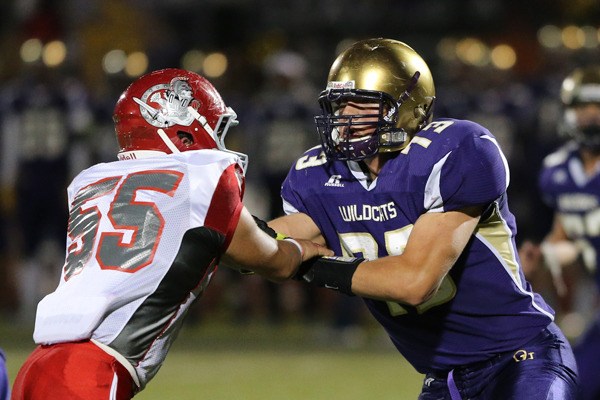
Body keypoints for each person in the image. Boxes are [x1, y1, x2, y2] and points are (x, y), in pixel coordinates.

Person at [266, 38, 579, 399]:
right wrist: (211, 209)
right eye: (339, 105)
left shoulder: (456, 150)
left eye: (363, 104)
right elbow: (266, 245)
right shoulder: (320, 175)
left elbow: (414, 283)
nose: (345, 118)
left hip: (521, 360)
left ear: (407, 107)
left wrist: (307, 262)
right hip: (443, 379)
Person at [11, 68, 332, 399]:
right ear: (183, 129)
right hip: (91, 369)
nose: (220, 144)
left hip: (38, 363)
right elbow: (272, 260)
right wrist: (304, 249)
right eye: (216, 130)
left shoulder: (90, 181)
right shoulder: (203, 176)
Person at [519, 66, 600, 400]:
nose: (591, 116)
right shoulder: (556, 171)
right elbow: (566, 235)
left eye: (598, 107)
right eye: (583, 107)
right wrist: (540, 257)